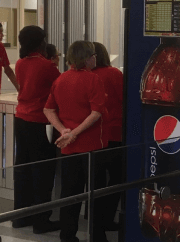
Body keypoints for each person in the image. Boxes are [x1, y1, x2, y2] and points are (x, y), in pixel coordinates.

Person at [44, 41, 109, 242]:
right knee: (95, 193)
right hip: (91, 145)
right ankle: (97, 235)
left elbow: (48, 109)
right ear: (87, 58)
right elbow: (96, 112)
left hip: (68, 147)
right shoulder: (93, 79)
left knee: (70, 194)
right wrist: (75, 133)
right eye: (93, 56)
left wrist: (64, 130)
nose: (95, 59)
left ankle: (68, 235)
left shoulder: (61, 79)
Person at [12, 26, 61, 233]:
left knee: (22, 169)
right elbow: (61, 88)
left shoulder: (21, 63)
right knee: (42, 171)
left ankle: (20, 217)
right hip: (40, 122)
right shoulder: (46, 66)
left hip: (21, 119)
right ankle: (42, 220)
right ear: (41, 42)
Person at [92, 42, 123, 231]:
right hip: (115, 132)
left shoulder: (86, 76)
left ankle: (96, 222)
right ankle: (106, 218)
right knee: (117, 178)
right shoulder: (114, 74)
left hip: (93, 135)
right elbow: (125, 98)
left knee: (96, 181)